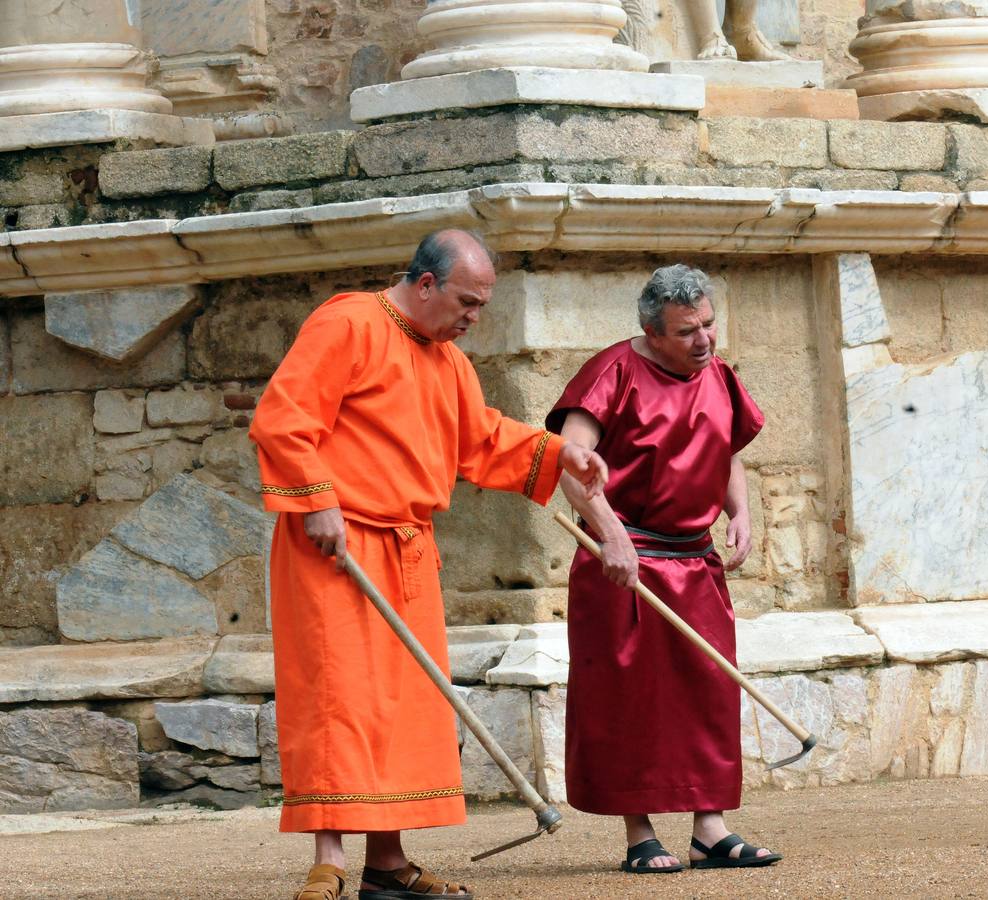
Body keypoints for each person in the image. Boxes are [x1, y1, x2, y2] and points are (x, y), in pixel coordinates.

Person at [250, 230, 607, 900]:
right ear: (423, 284)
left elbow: (481, 440)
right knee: (338, 698)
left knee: (404, 708)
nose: (473, 317)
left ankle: (386, 865)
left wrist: (559, 453)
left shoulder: (450, 363)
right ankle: (327, 860)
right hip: (336, 545)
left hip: (407, 550)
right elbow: (284, 416)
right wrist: (316, 499)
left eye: (482, 305)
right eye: (466, 302)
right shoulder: (348, 322)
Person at [546, 264, 781, 874]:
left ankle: (711, 828)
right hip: (624, 560)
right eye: (687, 332)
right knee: (631, 699)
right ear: (652, 333)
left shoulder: (719, 375)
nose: (703, 340)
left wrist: (740, 513)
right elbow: (571, 465)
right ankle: (640, 834)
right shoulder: (613, 372)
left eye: (708, 325)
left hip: (693, 560)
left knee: (708, 688)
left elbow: (726, 447)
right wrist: (614, 536)